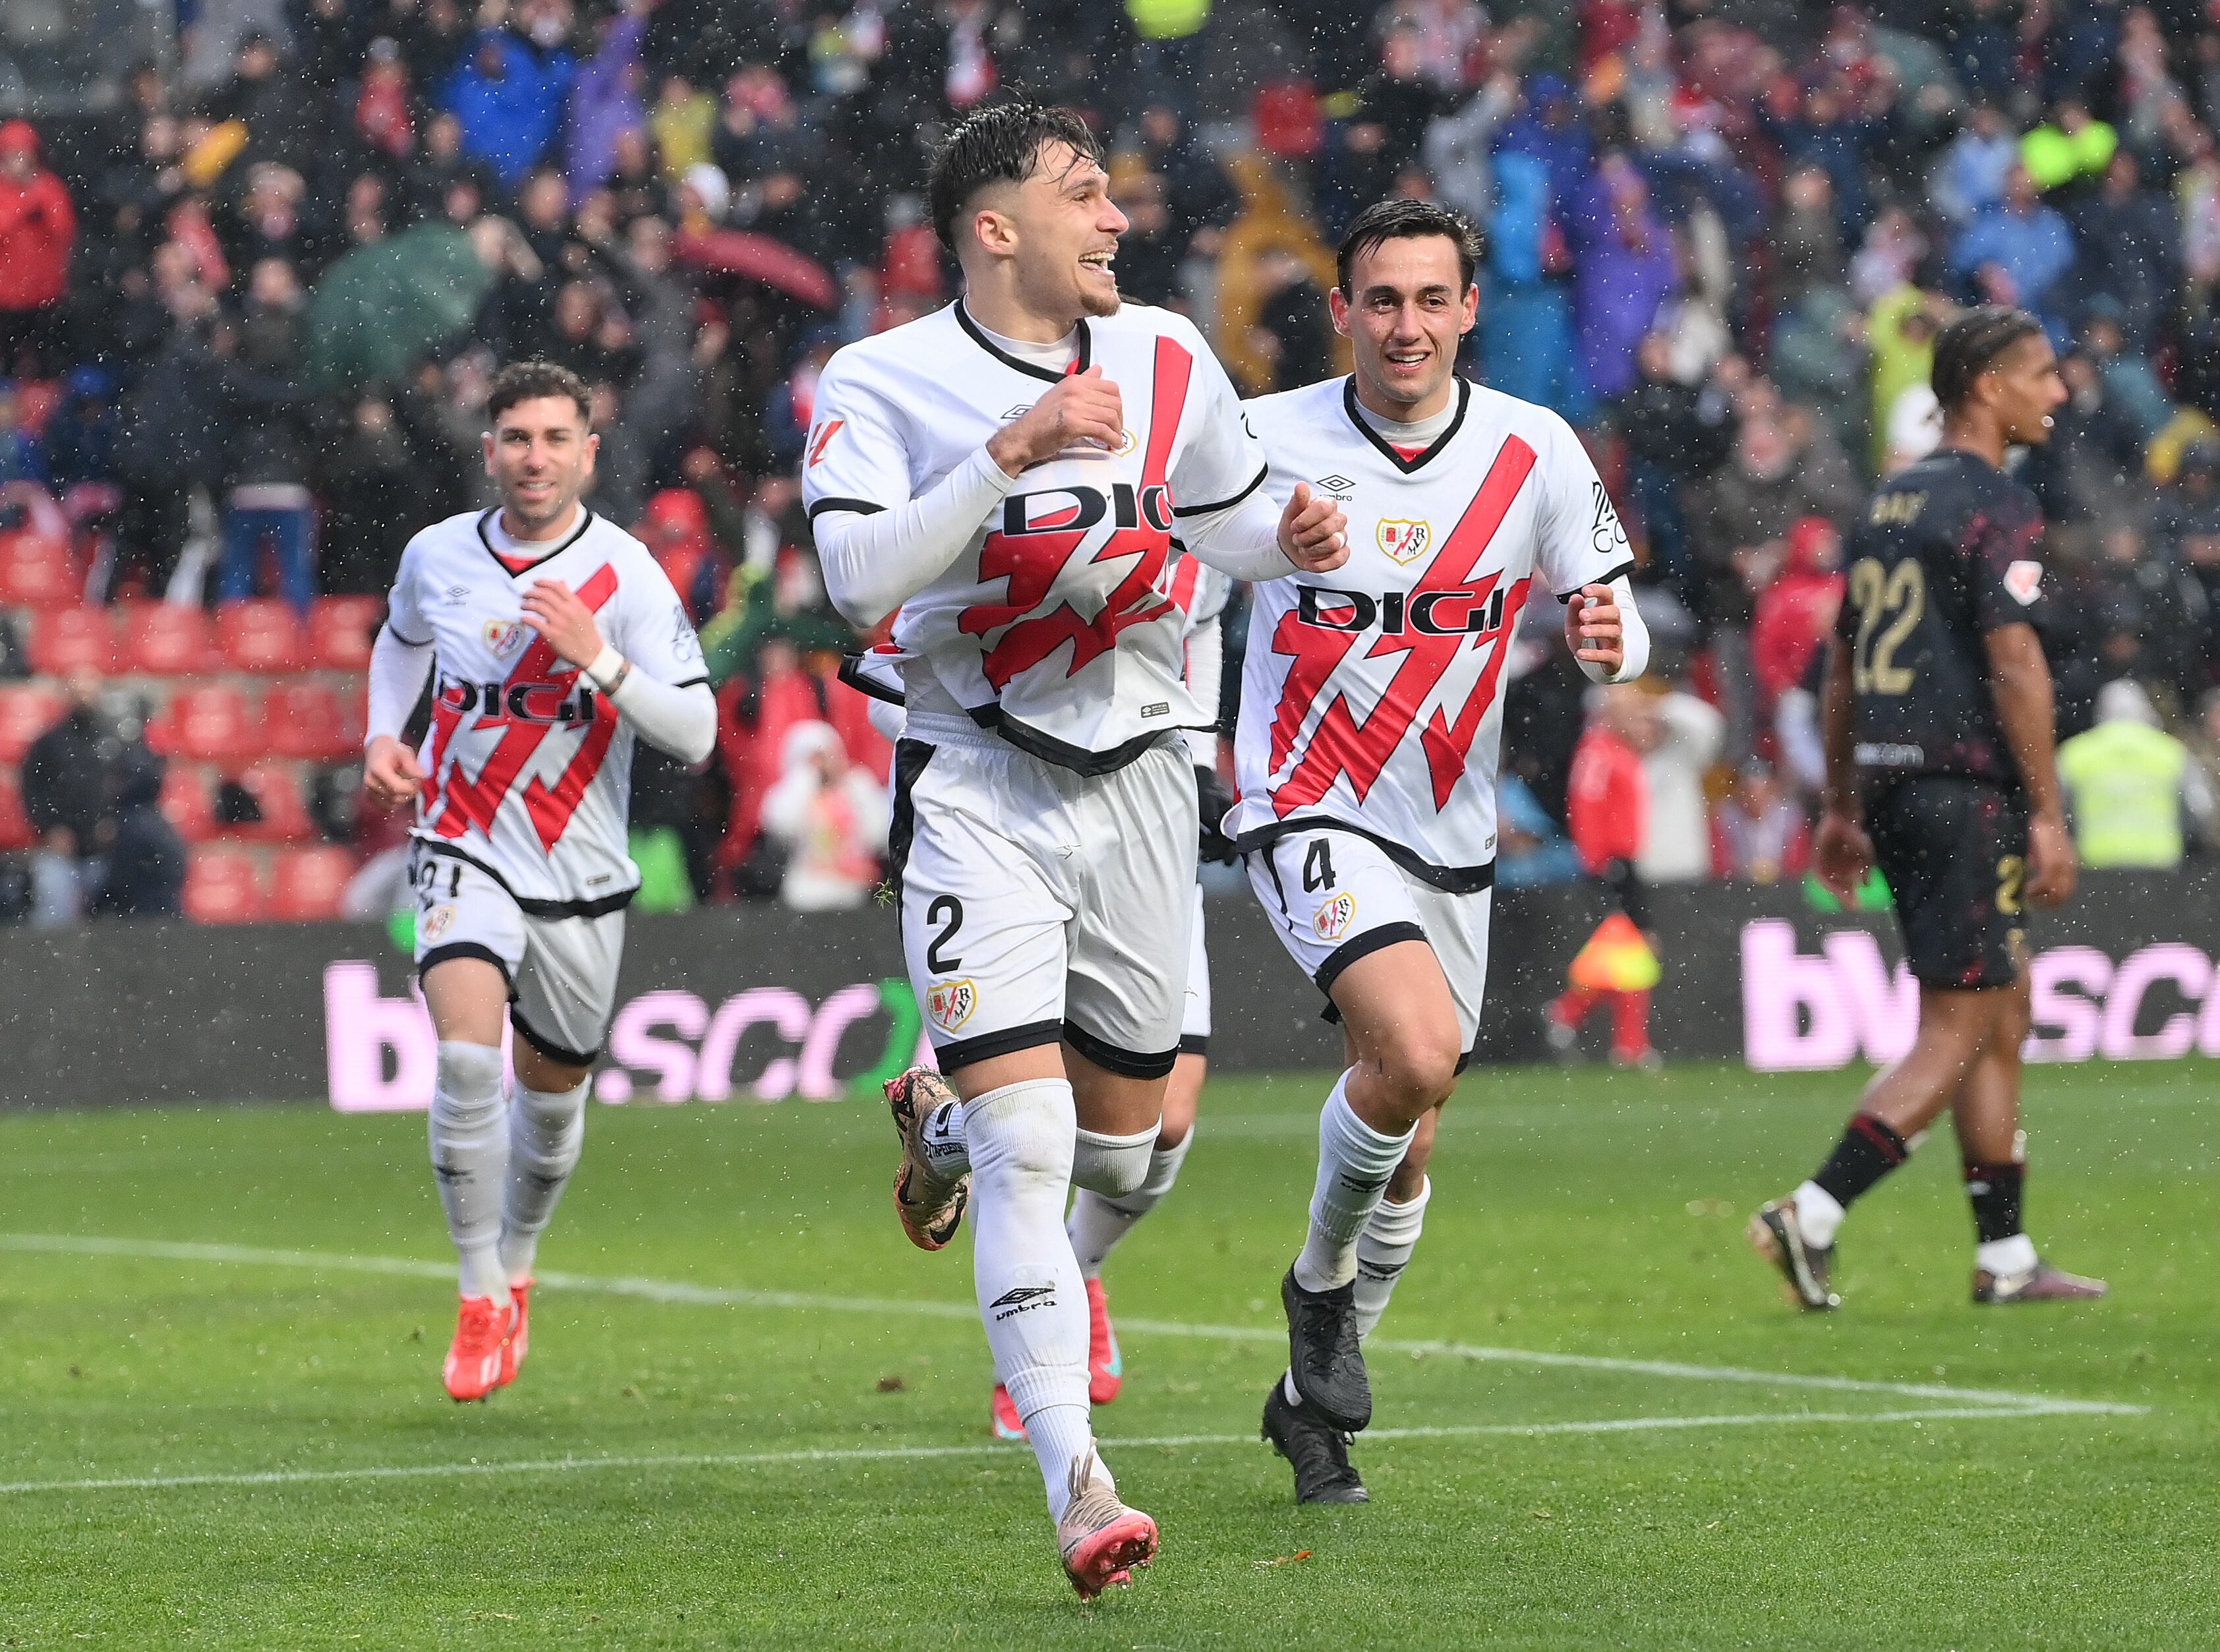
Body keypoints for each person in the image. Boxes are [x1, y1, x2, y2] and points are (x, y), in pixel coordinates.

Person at [802, 101, 1347, 1597]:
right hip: (978, 780)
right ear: (996, 229)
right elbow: (852, 575)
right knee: (1035, 1145)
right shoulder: (883, 378)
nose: (1118, 220)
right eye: (1086, 195)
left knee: (1132, 1148)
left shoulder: (1170, 354)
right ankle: (1074, 1481)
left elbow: (1226, 519)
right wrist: (1010, 449)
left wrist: (1285, 540)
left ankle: (934, 1110)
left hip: (1147, 791)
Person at [1228, 199, 1649, 1503]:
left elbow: (1617, 618)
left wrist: (1607, 642)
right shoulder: (1263, 437)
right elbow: (1178, 560)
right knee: (1408, 1054)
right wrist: (1261, 542)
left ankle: (1308, 1404)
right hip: (1304, 797)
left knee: (1408, 1124)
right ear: (1342, 308)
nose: (1405, 324)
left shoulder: (1532, 449)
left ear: (1469, 309)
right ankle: (1314, 1294)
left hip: (1448, 830)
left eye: (1430, 300)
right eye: (1381, 300)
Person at [361, 361, 715, 1403]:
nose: (535, 457)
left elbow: (694, 730)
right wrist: (386, 733)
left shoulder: (628, 575)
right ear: (490, 450)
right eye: (516, 438)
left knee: (551, 1113)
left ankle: (515, 1263)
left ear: (588, 452)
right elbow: (399, 641)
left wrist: (598, 660)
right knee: (470, 1064)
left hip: (582, 875)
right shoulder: (438, 556)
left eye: (557, 438)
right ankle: (476, 1293)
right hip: (462, 846)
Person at [1749, 306, 2106, 1313]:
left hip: (1898, 785)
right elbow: (2015, 659)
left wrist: (1841, 803)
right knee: (1956, 1027)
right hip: (1966, 792)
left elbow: (1845, 670)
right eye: (2042, 374)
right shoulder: (1996, 503)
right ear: (1988, 387)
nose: (2059, 391)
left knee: (2002, 1010)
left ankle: (2005, 1259)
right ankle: (1811, 1213)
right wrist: (2045, 811)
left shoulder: (1888, 504)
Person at [986, 556, 1237, 1444]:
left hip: (1148, 828)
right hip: (1011, 829)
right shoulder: (1018, 489)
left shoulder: (1192, 493)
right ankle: (1031, 1355)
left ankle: (1075, 1263)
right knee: (1027, 1122)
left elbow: (1201, 619)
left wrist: (1201, 762)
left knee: (1161, 1126)